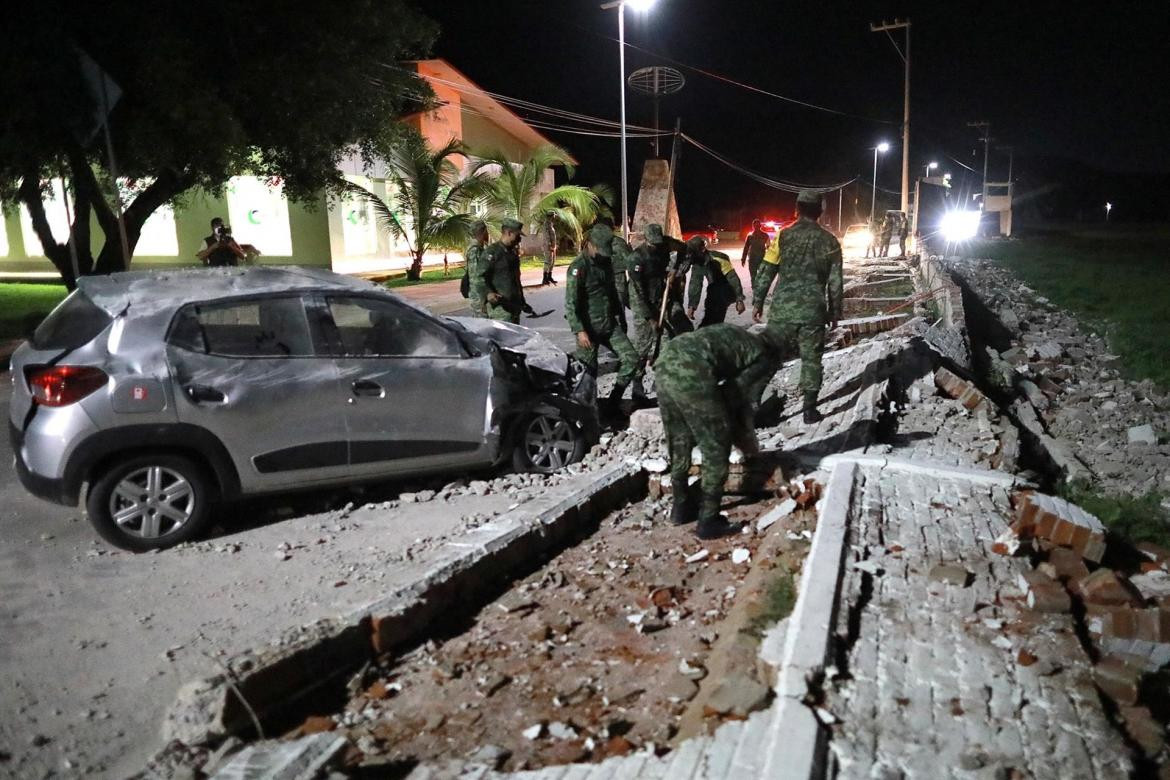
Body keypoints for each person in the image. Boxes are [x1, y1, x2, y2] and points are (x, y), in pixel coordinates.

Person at [656, 324, 783, 539]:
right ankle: (709, 520)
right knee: (716, 446)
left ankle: (680, 507)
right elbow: (735, 397)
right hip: (692, 370)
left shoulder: (738, 336)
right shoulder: (763, 357)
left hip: (665, 362)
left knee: (678, 437)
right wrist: (741, 436)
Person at [752, 189, 844, 424]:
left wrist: (758, 301)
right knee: (812, 360)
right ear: (820, 212)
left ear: (797, 209)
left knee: (770, 356)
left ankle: (752, 406)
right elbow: (835, 281)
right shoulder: (830, 241)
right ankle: (809, 411)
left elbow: (766, 270)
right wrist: (835, 312)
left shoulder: (783, 236)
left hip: (783, 311)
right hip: (813, 311)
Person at [565, 223, 644, 409]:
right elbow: (571, 303)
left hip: (609, 325)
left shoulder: (606, 263)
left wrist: (618, 315)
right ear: (590, 244)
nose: (603, 254)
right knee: (588, 375)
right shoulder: (578, 268)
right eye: (600, 250)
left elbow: (611, 292)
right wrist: (579, 330)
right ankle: (587, 413)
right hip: (589, 330)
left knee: (632, 359)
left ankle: (613, 402)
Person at [629, 223, 692, 364]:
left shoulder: (666, 243)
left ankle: (663, 364)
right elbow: (638, 293)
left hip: (663, 293)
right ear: (646, 240)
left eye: (659, 243)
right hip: (643, 300)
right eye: (653, 244)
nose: (656, 247)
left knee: (678, 326)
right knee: (643, 343)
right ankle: (637, 374)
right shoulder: (636, 258)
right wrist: (650, 318)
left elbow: (686, 251)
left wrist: (676, 271)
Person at [685, 235, 746, 328]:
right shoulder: (697, 263)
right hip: (713, 291)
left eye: (694, 252)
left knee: (715, 318)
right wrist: (692, 306)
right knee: (710, 316)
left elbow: (733, 279)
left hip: (726, 290)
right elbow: (695, 284)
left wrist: (739, 300)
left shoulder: (719, 259)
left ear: (702, 249)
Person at [481, 218, 534, 323]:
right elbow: (480, 277)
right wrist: (489, 293)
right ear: (509, 233)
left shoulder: (512, 254)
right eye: (517, 235)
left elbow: (516, 280)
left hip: (514, 307)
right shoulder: (492, 252)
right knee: (502, 338)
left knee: (515, 338)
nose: (519, 239)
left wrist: (522, 301)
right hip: (500, 310)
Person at [462, 220, 489, 317]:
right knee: (483, 326)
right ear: (484, 231)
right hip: (479, 296)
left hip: (480, 295)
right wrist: (485, 295)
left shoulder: (480, 248)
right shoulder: (475, 249)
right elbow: (476, 276)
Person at [741, 219, 770, 285]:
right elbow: (769, 248)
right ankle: (758, 290)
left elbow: (746, 248)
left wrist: (743, 259)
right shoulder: (765, 235)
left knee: (753, 276)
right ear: (760, 226)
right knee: (760, 276)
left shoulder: (750, 236)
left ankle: (755, 290)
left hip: (753, 259)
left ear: (752, 226)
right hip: (760, 259)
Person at [541, 220, 558, 286]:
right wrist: (550, 245)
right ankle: (545, 278)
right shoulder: (546, 225)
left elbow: (553, 237)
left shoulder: (551, 224)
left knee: (552, 261)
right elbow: (546, 237)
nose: (555, 217)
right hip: (548, 246)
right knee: (548, 261)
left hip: (553, 246)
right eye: (554, 216)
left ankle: (549, 276)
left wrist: (554, 245)